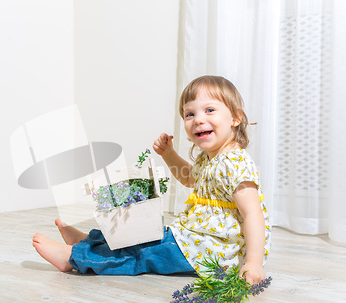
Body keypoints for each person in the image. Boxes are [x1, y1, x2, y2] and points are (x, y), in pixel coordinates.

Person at [32, 75, 271, 284]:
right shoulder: (210, 158)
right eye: (190, 113)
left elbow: (253, 213)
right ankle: (91, 242)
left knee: (144, 253)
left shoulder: (236, 164)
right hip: (195, 237)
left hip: (211, 250)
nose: (198, 119)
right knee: (143, 233)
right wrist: (168, 154)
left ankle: (74, 258)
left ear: (235, 118)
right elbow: (189, 179)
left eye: (209, 110)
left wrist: (253, 261)